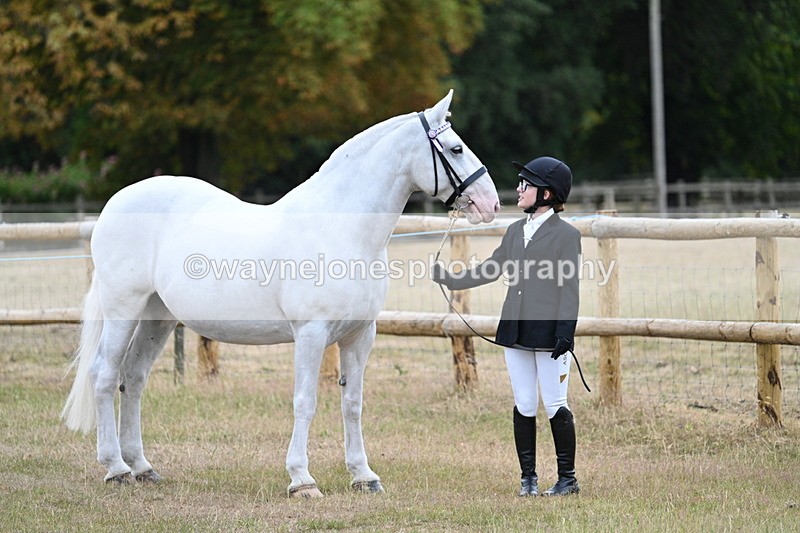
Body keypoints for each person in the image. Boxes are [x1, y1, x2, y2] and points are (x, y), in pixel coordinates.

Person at [432, 156, 581, 497]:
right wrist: (452, 280)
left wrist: (565, 333)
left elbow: (569, 288)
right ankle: (528, 478)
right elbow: (491, 268)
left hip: (549, 335)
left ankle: (567, 479)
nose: (518, 189)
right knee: (524, 403)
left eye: (525, 184)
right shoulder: (515, 231)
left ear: (546, 193)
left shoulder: (566, 235)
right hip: (515, 330)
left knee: (555, 404)